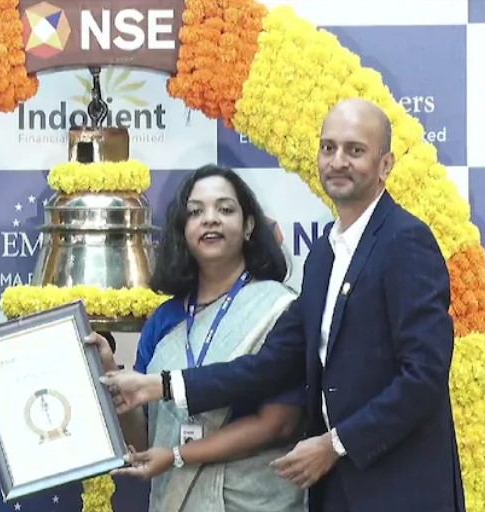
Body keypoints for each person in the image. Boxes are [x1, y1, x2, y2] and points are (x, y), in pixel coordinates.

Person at [100, 99, 465, 512]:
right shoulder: (323, 257)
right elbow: (268, 366)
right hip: (338, 490)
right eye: (328, 148)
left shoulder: (405, 241)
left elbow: (424, 376)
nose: (338, 161)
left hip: (400, 490)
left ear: (385, 165)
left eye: (355, 150)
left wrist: (335, 443)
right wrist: (160, 386)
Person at [86, 165, 304, 512]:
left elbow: (280, 424)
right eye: (196, 212)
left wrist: (178, 455)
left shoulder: (279, 308)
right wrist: (110, 373)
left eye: (225, 209)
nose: (210, 219)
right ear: (182, 230)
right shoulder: (164, 320)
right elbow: (144, 438)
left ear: (249, 225)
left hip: (254, 500)